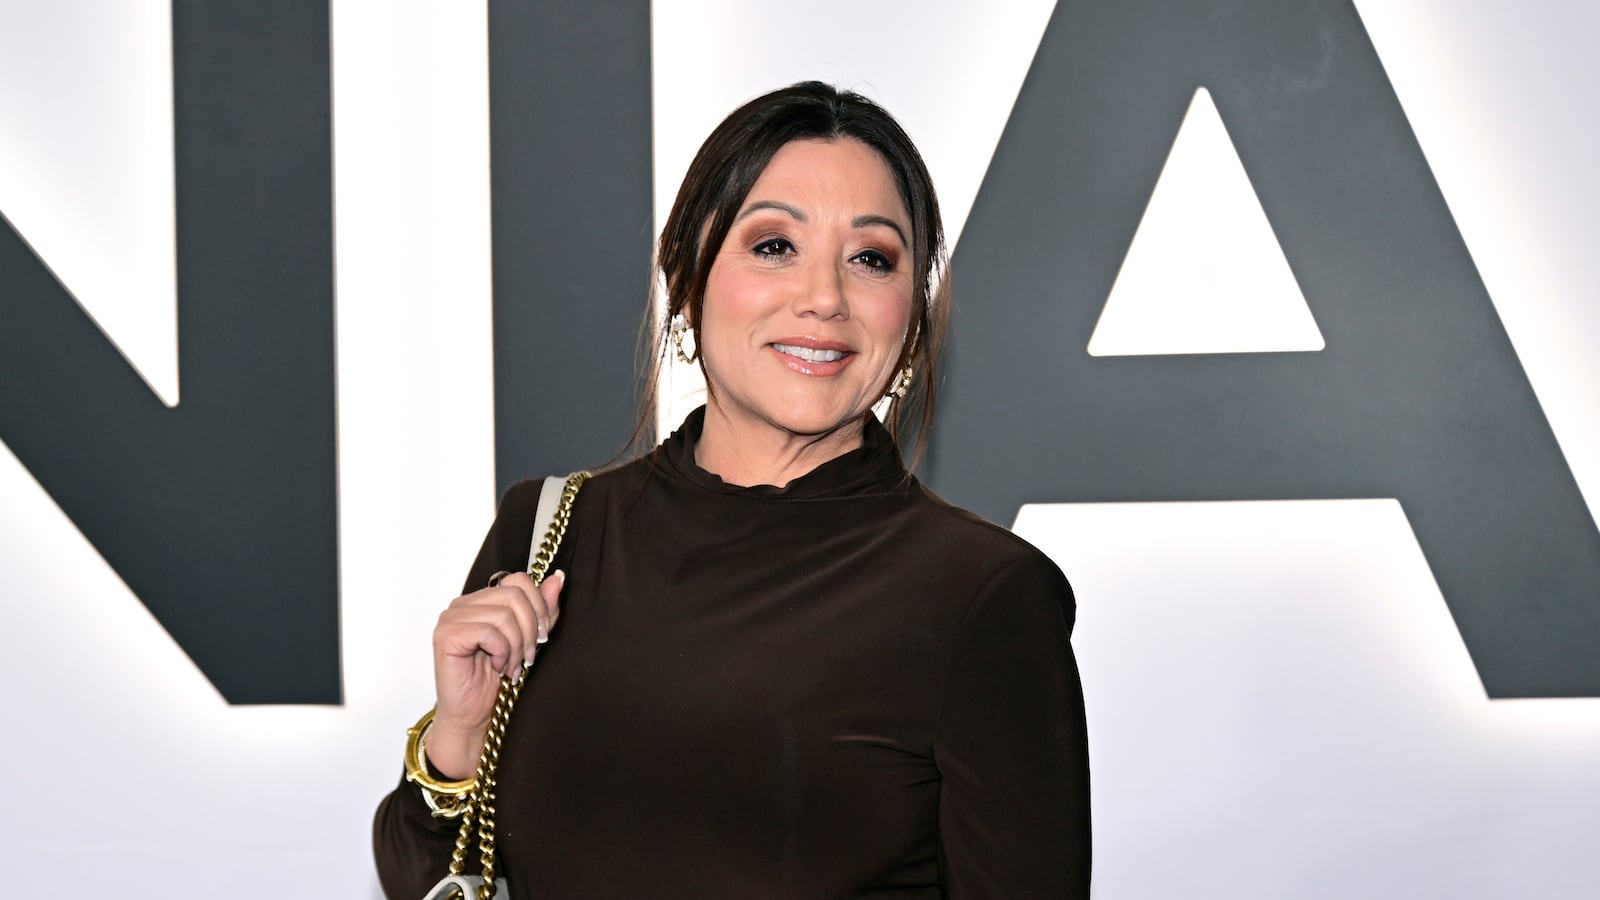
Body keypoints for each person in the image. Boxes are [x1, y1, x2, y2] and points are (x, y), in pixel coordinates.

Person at [373, 81, 1090, 898]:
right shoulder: (548, 533)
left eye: (871, 258)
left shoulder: (985, 598)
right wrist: (460, 734)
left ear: (913, 319)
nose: (824, 298)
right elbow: (422, 880)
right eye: (775, 245)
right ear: (686, 279)